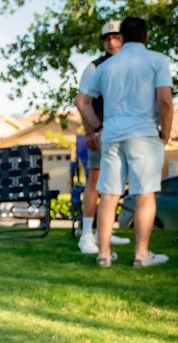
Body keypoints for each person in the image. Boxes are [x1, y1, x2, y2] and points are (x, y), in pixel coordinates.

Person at [76, 16, 173, 268]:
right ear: (146, 35)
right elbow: (164, 100)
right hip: (143, 134)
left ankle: (103, 255)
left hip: (112, 136)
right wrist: (166, 131)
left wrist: (97, 128)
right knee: (144, 194)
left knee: (109, 194)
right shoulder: (157, 60)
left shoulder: (105, 67)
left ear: (123, 37)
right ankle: (141, 255)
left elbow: (81, 101)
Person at [75, 21, 130, 255]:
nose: (111, 41)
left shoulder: (131, 66)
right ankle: (87, 234)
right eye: (107, 38)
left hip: (125, 134)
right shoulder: (94, 67)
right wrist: (90, 131)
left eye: (116, 36)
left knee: (114, 184)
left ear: (124, 39)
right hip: (100, 134)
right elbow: (82, 101)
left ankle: (103, 233)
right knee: (95, 182)